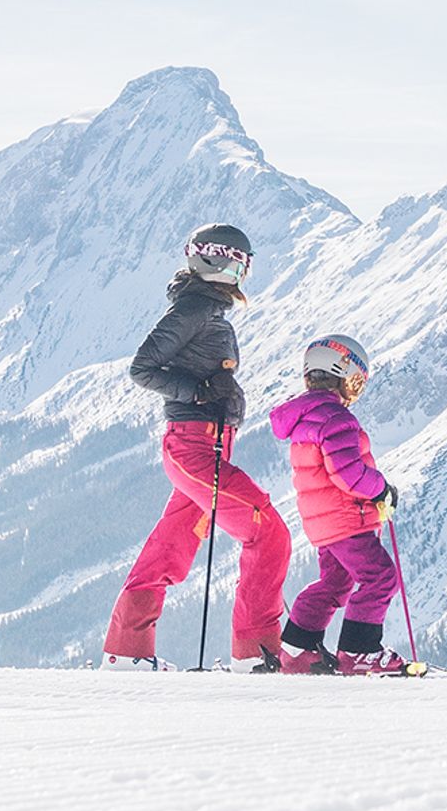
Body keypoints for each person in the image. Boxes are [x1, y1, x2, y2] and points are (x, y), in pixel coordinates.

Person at [101, 223, 292, 672]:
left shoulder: (208, 308)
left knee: (169, 548)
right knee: (268, 531)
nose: (239, 274)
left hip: (207, 446)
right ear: (211, 260)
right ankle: (255, 652)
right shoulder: (195, 308)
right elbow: (142, 368)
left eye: (242, 266)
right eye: (235, 264)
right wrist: (199, 392)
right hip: (193, 448)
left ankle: (126, 651)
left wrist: (210, 393)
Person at [269, 335, 410, 676]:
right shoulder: (336, 419)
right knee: (380, 578)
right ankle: (359, 651)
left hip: (323, 522)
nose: (355, 392)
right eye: (356, 382)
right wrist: (382, 490)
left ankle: (297, 649)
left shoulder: (306, 417)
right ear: (342, 373)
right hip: (347, 519)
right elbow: (349, 473)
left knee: (335, 583)